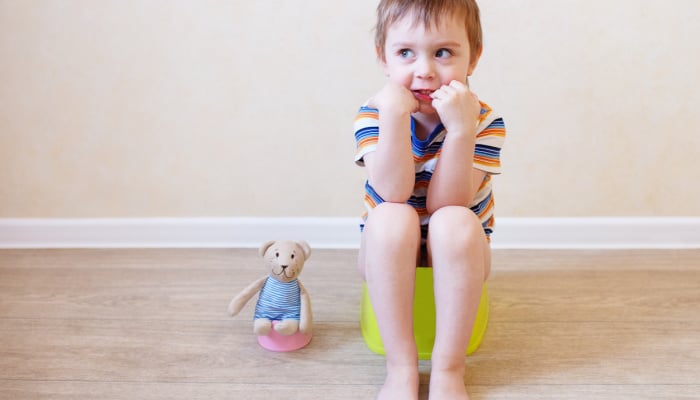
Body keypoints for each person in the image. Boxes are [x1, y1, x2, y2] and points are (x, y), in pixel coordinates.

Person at [353, 0, 506, 399]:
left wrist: (459, 131)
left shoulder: (484, 121)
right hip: (386, 249)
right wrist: (394, 119)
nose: (424, 70)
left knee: (454, 221)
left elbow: (448, 204)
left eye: (443, 52)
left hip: (459, 249)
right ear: (383, 59)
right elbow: (393, 192)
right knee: (391, 217)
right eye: (406, 52)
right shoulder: (375, 113)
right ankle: (400, 366)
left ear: (473, 57)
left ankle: (449, 368)